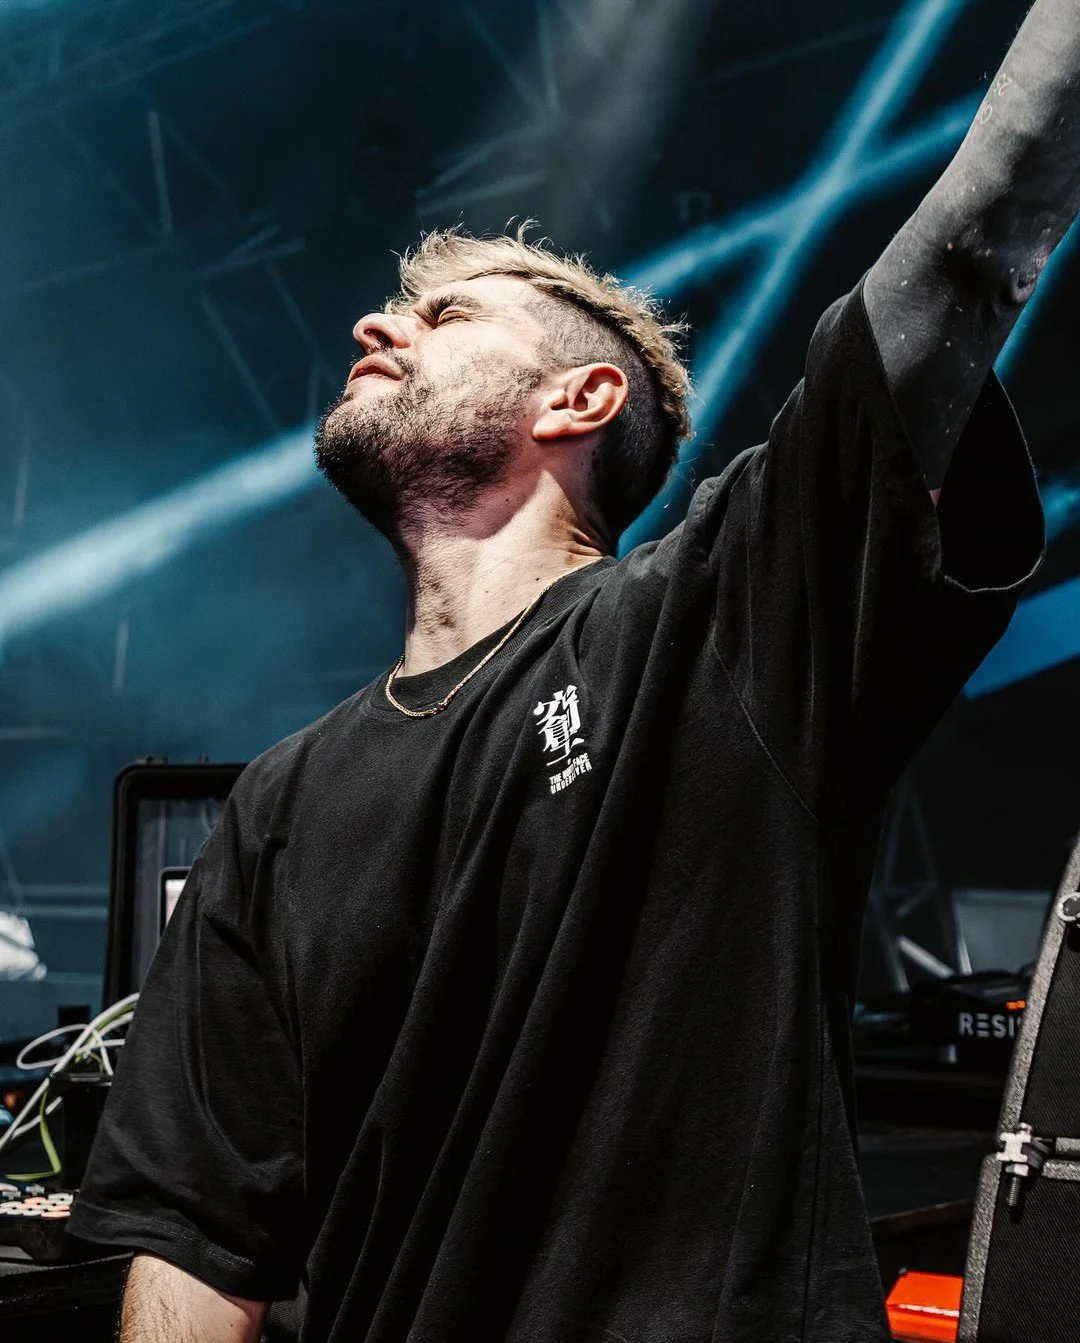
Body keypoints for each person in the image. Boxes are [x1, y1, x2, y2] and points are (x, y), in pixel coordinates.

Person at [68, 0, 1080, 1335]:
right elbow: (203, 1240)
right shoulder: (276, 806)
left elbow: (970, 243)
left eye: (443, 314)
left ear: (578, 399)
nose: (377, 326)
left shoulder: (721, 618)